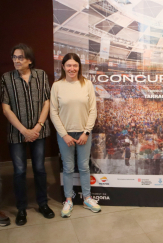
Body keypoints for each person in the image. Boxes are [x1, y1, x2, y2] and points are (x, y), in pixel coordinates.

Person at [1, 43, 55, 225]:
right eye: (14, 57)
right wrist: (24, 130)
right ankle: (21, 208)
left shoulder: (41, 75)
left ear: (30, 60)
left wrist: (38, 126)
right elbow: (6, 108)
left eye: (20, 57)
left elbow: (47, 101)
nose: (16, 60)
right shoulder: (6, 78)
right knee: (19, 171)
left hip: (39, 131)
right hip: (17, 133)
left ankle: (42, 204)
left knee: (40, 169)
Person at [50, 53, 101, 218]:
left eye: (75, 65)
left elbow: (93, 110)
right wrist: (64, 135)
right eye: (68, 65)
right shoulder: (57, 86)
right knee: (68, 168)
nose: (72, 69)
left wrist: (86, 132)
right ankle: (68, 199)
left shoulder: (87, 84)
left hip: (84, 133)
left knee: (85, 166)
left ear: (79, 67)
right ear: (63, 67)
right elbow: (53, 112)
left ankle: (87, 198)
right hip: (64, 135)